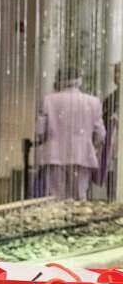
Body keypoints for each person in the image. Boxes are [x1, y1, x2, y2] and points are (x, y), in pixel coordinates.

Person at [35, 66, 106, 200]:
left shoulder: (49, 100)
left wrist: (47, 138)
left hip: (55, 156)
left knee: (56, 198)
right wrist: (92, 146)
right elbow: (101, 134)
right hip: (83, 156)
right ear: (79, 80)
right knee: (80, 198)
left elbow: (39, 131)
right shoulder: (93, 102)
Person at [95, 62, 120, 197]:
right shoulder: (111, 98)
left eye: (119, 72)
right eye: (115, 72)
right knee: (112, 179)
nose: (116, 76)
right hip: (112, 146)